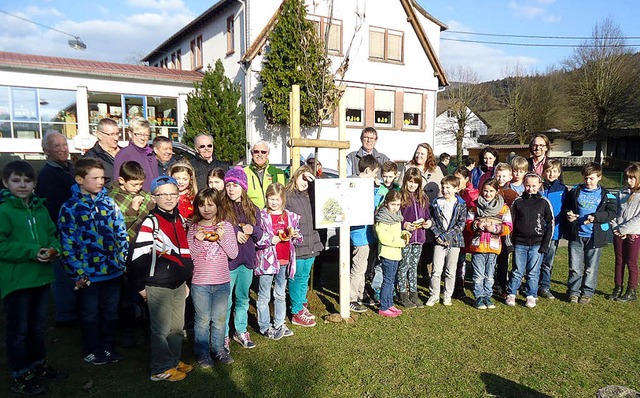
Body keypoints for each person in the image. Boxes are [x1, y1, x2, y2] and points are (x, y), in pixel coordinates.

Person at [0, 161, 63, 395]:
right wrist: (30, 251)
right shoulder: (4, 211)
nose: (23, 185)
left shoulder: (40, 208)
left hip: (41, 278)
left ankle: (38, 363)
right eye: (17, 180)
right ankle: (20, 372)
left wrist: (55, 249)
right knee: (18, 330)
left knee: (37, 327)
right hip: (17, 281)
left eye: (27, 180)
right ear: (6, 183)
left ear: (34, 184)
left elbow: (51, 234)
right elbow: (2, 244)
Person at [58, 158, 129, 364]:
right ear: (80, 179)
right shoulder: (70, 207)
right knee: (90, 313)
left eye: (102, 178)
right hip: (88, 274)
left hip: (113, 271)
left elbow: (120, 233)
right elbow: (67, 242)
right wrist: (77, 272)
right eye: (95, 178)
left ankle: (108, 347)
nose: (100, 182)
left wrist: (122, 261)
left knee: (110, 311)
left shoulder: (109, 202)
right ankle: (91, 348)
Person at [128, 176, 194, 382]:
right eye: (162, 194)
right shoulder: (150, 222)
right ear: (153, 197)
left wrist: (186, 281)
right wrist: (140, 286)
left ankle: (173, 361)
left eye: (172, 194)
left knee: (177, 327)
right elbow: (137, 257)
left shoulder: (180, 220)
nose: (168, 198)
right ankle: (159, 368)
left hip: (178, 283)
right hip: (158, 285)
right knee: (161, 329)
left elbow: (184, 253)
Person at [187, 188, 238, 368]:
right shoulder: (194, 228)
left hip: (222, 281)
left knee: (219, 318)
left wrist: (222, 238)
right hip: (200, 282)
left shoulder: (225, 227)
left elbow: (233, 253)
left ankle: (219, 349)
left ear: (218, 205)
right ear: (197, 207)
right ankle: (202, 352)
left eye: (210, 205)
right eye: (202, 205)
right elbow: (190, 256)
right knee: (202, 319)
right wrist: (199, 241)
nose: (206, 209)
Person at [34, 131, 78, 327]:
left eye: (64, 145)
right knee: (62, 274)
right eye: (57, 146)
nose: (63, 149)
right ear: (46, 151)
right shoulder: (48, 175)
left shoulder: (69, 168)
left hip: (76, 230)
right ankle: (66, 315)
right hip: (60, 231)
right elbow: (54, 208)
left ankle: (72, 309)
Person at [220, 167, 263, 349]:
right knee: (225, 299)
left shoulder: (253, 208)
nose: (231, 189)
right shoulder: (221, 207)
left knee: (242, 297)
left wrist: (252, 230)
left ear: (243, 187)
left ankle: (240, 330)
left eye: (235, 185)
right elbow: (218, 228)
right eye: (228, 185)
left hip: (247, 260)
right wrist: (235, 232)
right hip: (229, 261)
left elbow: (260, 234)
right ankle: (221, 335)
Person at [565, 162, 617, 304]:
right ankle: (574, 292)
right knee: (575, 267)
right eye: (586, 178)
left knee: (591, 268)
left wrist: (595, 217)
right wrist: (569, 214)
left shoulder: (607, 195)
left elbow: (611, 213)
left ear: (599, 177)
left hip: (595, 237)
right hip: (577, 235)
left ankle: (587, 292)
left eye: (592, 178)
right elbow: (567, 206)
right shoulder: (575, 191)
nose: (588, 181)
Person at [255, 183, 301, 340]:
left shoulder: (290, 216)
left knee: (280, 293)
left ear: (283, 199)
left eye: (277, 199)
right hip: (267, 262)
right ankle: (264, 326)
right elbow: (257, 238)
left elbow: (298, 236)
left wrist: (296, 236)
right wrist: (270, 240)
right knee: (264, 295)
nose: (273, 202)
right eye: (270, 198)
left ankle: (279, 323)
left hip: (284, 260)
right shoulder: (261, 216)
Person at [506, 173, 553, 308]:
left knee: (533, 272)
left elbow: (550, 224)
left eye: (533, 186)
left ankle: (531, 295)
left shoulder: (544, 202)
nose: (530, 188)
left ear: (539, 186)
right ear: (523, 185)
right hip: (519, 243)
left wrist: (545, 245)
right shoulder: (518, 202)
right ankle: (511, 293)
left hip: (537, 245)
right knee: (517, 270)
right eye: (527, 185)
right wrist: (510, 243)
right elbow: (510, 224)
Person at [285, 165, 324, 327]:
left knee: (304, 277)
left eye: (308, 179)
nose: (305, 182)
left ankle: (302, 304)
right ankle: (296, 310)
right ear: (295, 176)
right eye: (303, 177)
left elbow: (324, 192)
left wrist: (314, 181)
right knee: (297, 278)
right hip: (298, 243)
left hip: (311, 243)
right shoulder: (288, 196)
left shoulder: (311, 195)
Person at [466, 178, 512, 310]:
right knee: (478, 274)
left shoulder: (503, 208)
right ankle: (478, 296)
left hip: (493, 246)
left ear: (497, 191)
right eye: (485, 191)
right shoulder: (475, 206)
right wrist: (476, 225)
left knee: (489, 274)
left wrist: (496, 229)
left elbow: (508, 226)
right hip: (478, 245)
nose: (488, 194)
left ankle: (487, 295)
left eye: (491, 191)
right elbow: (468, 223)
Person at [426, 175, 467, 307]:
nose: (445, 190)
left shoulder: (460, 204)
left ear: (456, 189)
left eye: (448, 187)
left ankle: (447, 295)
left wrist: (446, 237)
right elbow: (432, 220)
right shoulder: (437, 203)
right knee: (436, 270)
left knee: (450, 270)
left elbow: (460, 225)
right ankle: (434, 295)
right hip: (439, 241)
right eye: (443, 187)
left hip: (454, 242)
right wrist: (438, 235)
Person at [348, 155, 380, 313]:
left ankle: (360, 294)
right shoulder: (356, 186)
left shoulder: (361, 185)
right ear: (367, 170)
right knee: (358, 267)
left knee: (363, 267)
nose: (376, 177)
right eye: (375, 173)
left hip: (366, 234)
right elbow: (370, 206)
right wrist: (376, 191)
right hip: (360, 234)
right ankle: (351, 298)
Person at [398, 167, 432, 308]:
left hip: (420, 238)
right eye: (410, 182)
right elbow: (396, 216)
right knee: (404, 265)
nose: (412, 185)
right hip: (406, 238)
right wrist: (404, 224)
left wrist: (428, 222)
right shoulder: (400, 197)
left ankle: (414, 293)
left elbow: (427, 214)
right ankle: (402, 293)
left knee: (414, 266)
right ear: (405, 181)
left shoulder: (423, 197)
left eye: (415, 182)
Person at [610, 162, 640, 302]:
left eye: (632, 178)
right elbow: (614, 212)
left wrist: (624, 229)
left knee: (631, 261)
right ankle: (617, 287)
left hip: (633, 233)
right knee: (619, 261)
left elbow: (638, 218)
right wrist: (616, 227)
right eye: (627, 178)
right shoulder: (621, 193)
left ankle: (631, 291)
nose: (629, 181)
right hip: (618, 233)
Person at [539, 159, 568, 299]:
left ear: (559, 173)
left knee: (547, 261)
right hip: (537, 231)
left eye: (554, 171)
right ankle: (531, 285)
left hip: (554, 233)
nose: (551, 173)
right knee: (535, 259)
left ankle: (544, 286)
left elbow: (565, 210)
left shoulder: (563, 189)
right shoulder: (539, 187)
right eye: (548, 170)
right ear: (544, 172)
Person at [374, 190, 405, 318]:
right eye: (393, 204)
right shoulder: (384, 217)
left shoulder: (396, 216)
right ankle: (384, 306)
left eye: (398, 204)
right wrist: (401, 242)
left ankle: (389, 303)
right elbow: (384, 237)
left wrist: (404, 233)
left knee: (391, 280)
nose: (395, 207)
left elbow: (396, 232)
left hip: (395, 253)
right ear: (386, 203)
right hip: (388, 253)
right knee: (387, 280)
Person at [109, 161, 155, 242]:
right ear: (121, 180)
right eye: (134, 185)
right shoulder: (112, 199)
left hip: (145, 241)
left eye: (141, 184)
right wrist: (133, 210)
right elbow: (115, 227)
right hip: (124, 243)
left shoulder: (146, 195)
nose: (138, 188)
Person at [112, 117, 158, 192]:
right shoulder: (124, 154)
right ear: (130, 134)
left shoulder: (150, 153)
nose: (142, 138)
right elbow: (117, 183)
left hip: (152, 198)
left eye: (146, 135)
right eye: (138, 134)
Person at [453, 167, 478, 299]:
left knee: (474, 260)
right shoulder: (453, 191)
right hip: (457, 232)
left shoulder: (473, 194)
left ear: (467, 179)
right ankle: (458, 286)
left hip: (470, 231)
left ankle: (476, 286)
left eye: (459, 179)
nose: (456, 181)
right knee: (459, 260)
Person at [493, 162, 518, 298]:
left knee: (503, 260)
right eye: (498, 176)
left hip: (505, 232)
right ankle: (489, 283)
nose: (501, 179)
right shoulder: (490, 189)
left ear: (509, 177)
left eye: (504, 176)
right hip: (490, 231)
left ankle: (502, 285)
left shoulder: (512, 194)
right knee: (490, 259)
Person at [244, 140, 286, 209]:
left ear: (267, 154)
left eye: (263, 152)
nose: (259, 154)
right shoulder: (243, 172)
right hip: (250, 214)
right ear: (252, 153)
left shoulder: (278, 172)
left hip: (272, 214)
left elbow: (283, 196)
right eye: (256, 151)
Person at [84, 118, 122, 186]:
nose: (116, 138)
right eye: (111, 134)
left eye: (117, 134)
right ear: (99, 135)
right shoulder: (91, 157)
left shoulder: (126, 153)